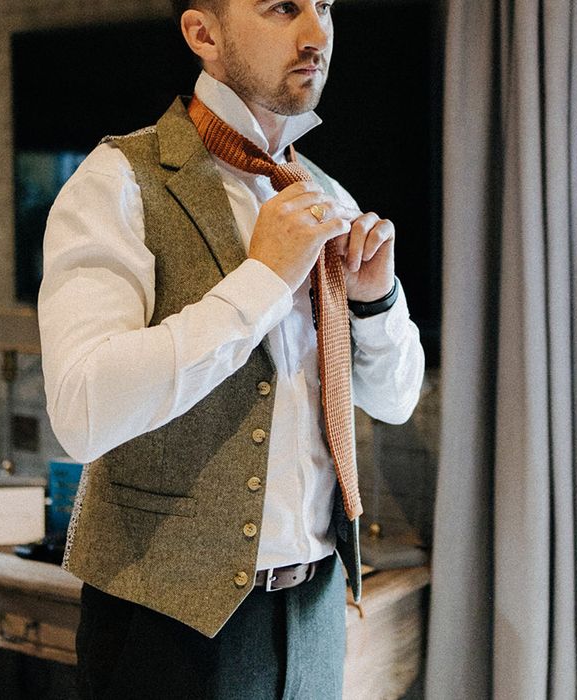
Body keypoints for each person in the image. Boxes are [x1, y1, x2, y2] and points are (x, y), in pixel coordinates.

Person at [38, 0, 425, 697]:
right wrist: (263, 281)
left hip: (315, 617)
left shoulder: (326, 196)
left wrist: (376, 302)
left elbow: (394, 402)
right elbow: (80, 411)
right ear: (203, 34)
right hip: (167, 629)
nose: (317, 34)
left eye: (325, 7)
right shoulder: (116, 182)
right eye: (283, 8)